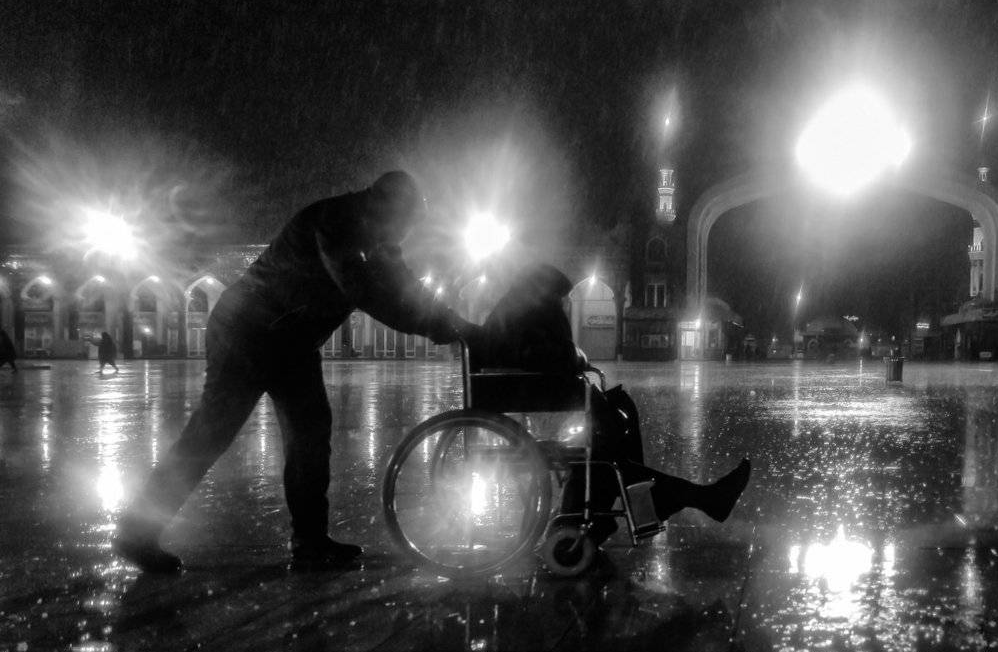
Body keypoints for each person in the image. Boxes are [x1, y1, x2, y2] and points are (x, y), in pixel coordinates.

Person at [114, 171, 478, 574]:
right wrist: (442, 327)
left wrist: (454, 322)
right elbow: (366, 291)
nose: (404, 235)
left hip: (291, 340)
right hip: (247, 331)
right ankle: (136, 533)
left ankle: (310, 542)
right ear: (388, 209)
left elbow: (406, 288)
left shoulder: (376, 236)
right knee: (211, 433)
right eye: (405, 225)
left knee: (310, 436)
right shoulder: (335, 221)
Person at [469, 262, 752, 540]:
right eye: (561, 300)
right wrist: (577, 355)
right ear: (546, 294)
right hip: (546, 402)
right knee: (610, 447)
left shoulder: (515, 311)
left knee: (615, 429)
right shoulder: (531, 314)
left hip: (542, 399)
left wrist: (574, 356)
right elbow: (561, 356)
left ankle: (629, 513)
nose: (564, 305)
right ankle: (690, 500)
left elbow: (551, 355)